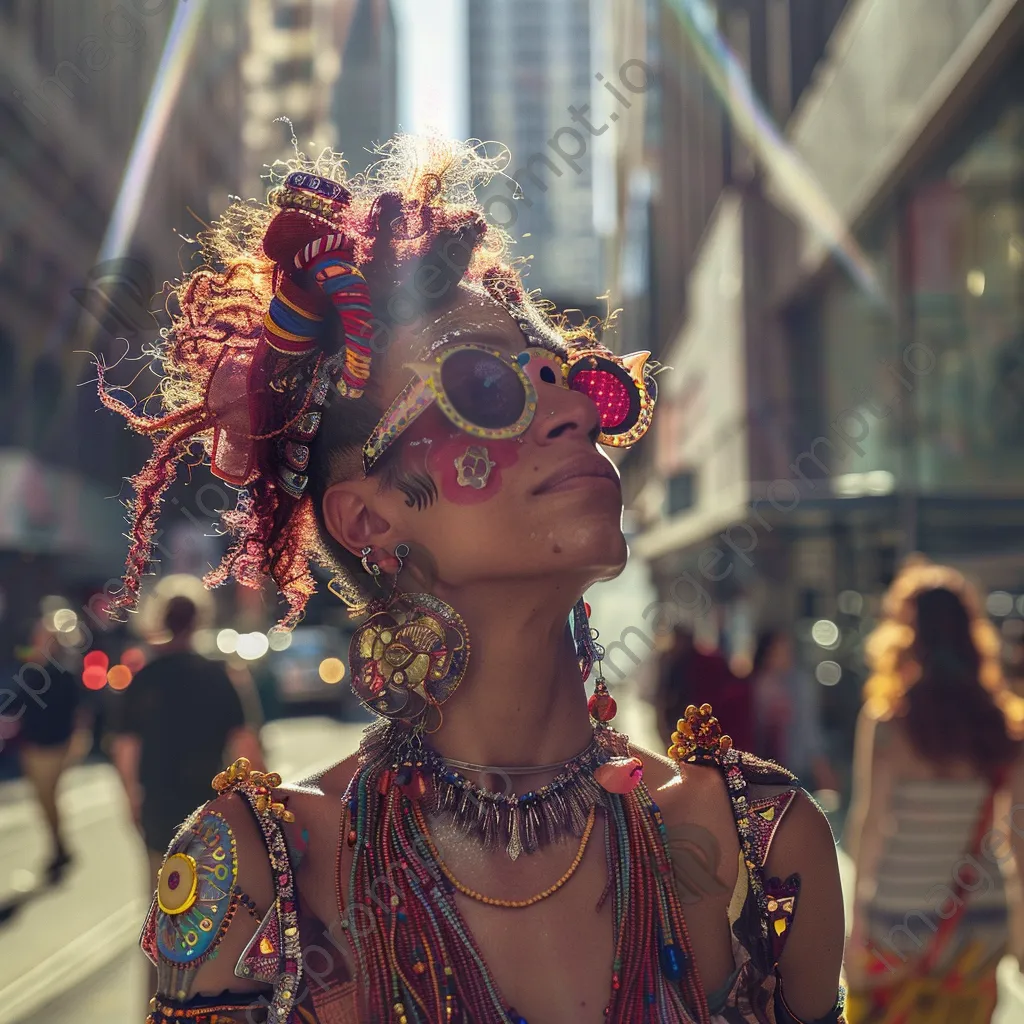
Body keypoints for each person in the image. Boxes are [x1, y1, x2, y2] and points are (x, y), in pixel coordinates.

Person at [101, 137, 846, 1023]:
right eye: (488, 388)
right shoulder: (260, 880)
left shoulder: (762, 843)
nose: (573, 410)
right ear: (369, 518)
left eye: (569, 377)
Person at [844, 561, 1024, 1023]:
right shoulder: (1005, 725)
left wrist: (857, 919)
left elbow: (871, 821)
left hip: (898, 918)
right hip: (981, 921)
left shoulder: (888, 724)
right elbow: (1018, 834)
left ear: (908, 634)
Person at [110, 594, 265, 878]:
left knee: (165, 889)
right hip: (209, 802)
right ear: (199, 622)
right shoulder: (219, 676)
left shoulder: (144, 679)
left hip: (159, 803)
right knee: (214, 891)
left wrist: (132, 797)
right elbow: (246, 746)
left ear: (160, 620)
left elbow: (125, 747)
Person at [10, 615, 81, 882]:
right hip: (33, 744)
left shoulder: (63, 673)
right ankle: (58, 844)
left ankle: (58, 846)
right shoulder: (29, 670)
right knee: (42, 799)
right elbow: (18, 705)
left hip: (55, 744)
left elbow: (77, 711)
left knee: (49, 797)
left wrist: (77, 741)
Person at [749, 630, 839, 795]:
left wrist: (819, 765)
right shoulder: (756, 686)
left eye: (789, 651)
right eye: (781, 650)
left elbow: (808, 729)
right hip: (763, 766)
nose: (787, 656)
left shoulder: (798, 684)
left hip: (794, 765)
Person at [655, 624, 753, 753]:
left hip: (708, 728)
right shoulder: (671, 663)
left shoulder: (709, 661)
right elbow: (665, 699)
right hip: (682, 727)